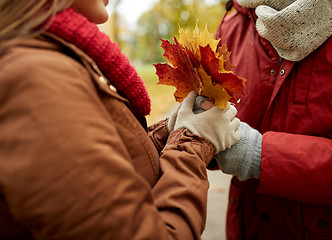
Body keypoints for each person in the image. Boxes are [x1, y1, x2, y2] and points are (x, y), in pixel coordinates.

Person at [0, 0, 241, 239]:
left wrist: (170, 133)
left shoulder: (49, 56)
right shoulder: (37, 79)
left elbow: (113, 164)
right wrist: (193, 141)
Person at [209, 0, 332, 239]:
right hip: (247, 226)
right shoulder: (235, 21)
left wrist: (259, 156)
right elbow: (220, 119)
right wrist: (198, 138)